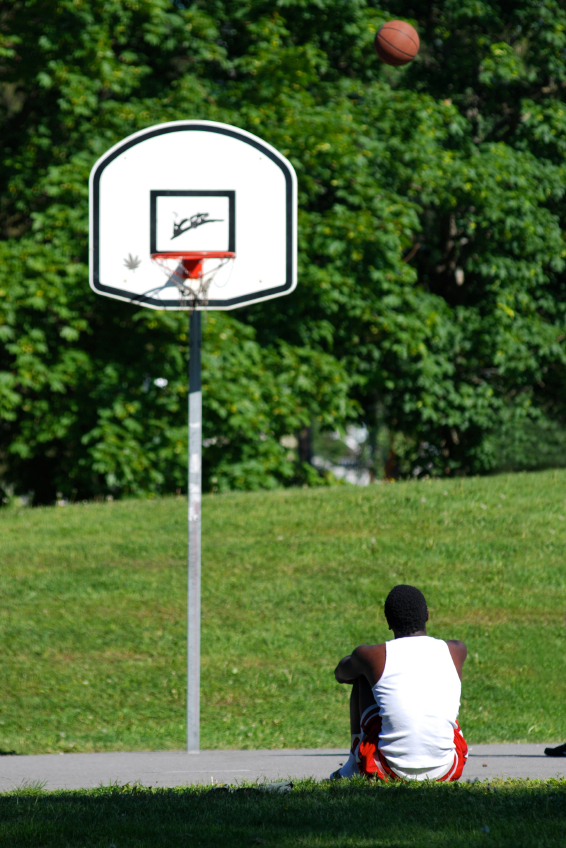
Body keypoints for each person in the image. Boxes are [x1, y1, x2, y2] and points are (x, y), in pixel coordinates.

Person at [331, 584, 468, 782]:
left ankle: (353, 765)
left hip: (389, 770)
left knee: (362, 675)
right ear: (427, 615)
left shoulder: (371, 656)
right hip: (447, 770)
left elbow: (341, 674)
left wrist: (360, 662)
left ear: (388, 622)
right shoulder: (456, 650)